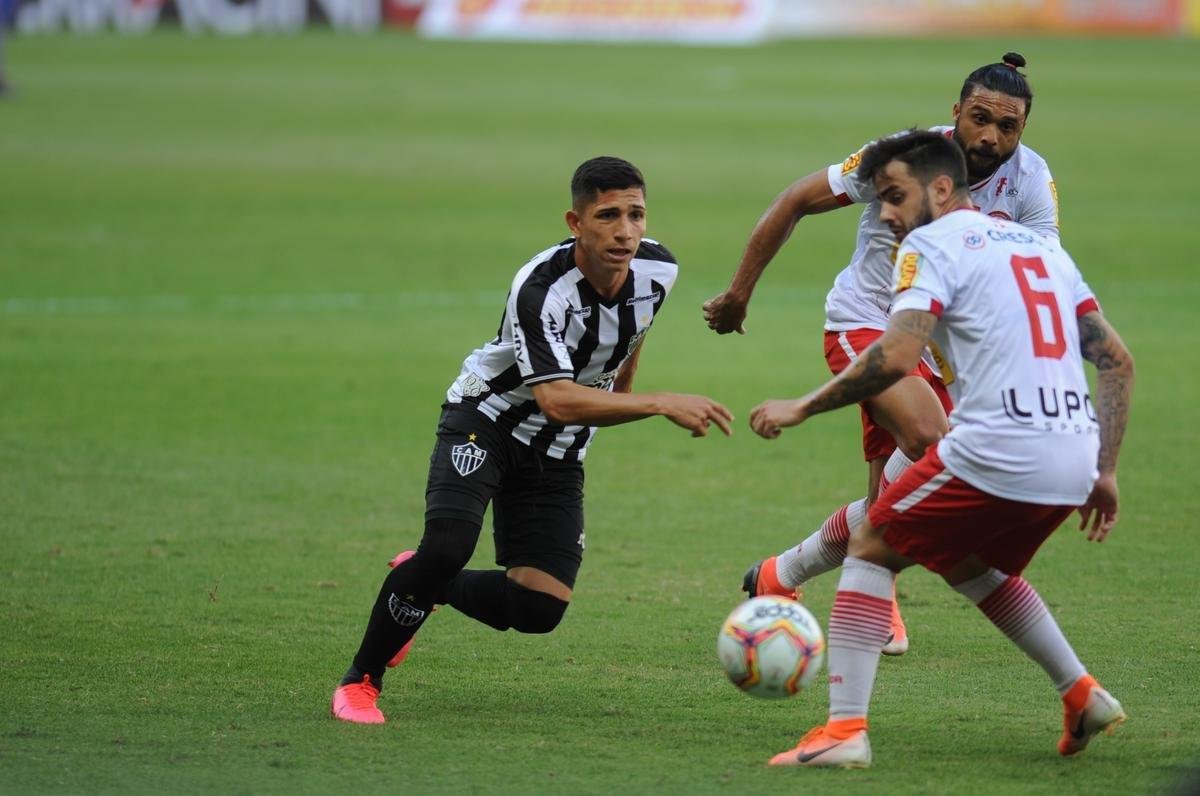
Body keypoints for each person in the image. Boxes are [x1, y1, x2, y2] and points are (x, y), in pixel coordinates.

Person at [747, 130, 1133, 767]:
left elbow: (896, 355)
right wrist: (1106, 468)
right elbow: (1117, 362)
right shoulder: (1043, 249)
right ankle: (1082, 693)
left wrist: (803, 406)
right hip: (1073, 455)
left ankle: (844, 734)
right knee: (971, 563)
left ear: (942, 188)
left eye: (895, 197)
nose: (886, 214)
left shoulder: (928, 244)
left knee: (873, 545)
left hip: (1000, 448)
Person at [331, 156, 734, 724]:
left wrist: (623, 394)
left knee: (539, 607)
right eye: (608, 215)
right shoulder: (540, 289)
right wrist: (659, 403)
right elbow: (557, 399)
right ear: (575, 222)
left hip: (559, 446)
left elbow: (631, 334)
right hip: (488, 417)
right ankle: (360, 682)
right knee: (448, 543)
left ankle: (422, 582)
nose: (624, 230)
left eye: (636, 214)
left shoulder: (659, 271)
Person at [704, 53, 1058, 656]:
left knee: (888, 500)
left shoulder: (1030, 179)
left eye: (1008, 126)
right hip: (866, 324)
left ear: (1023, 129)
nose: (991, 136)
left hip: (946, 348)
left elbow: (1038, 271)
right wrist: (740, 293)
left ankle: (781, 576)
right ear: (956, 113)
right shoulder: (904, 155)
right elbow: (794, 200)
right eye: (979, 118)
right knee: (931, 446)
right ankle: (874, 593)